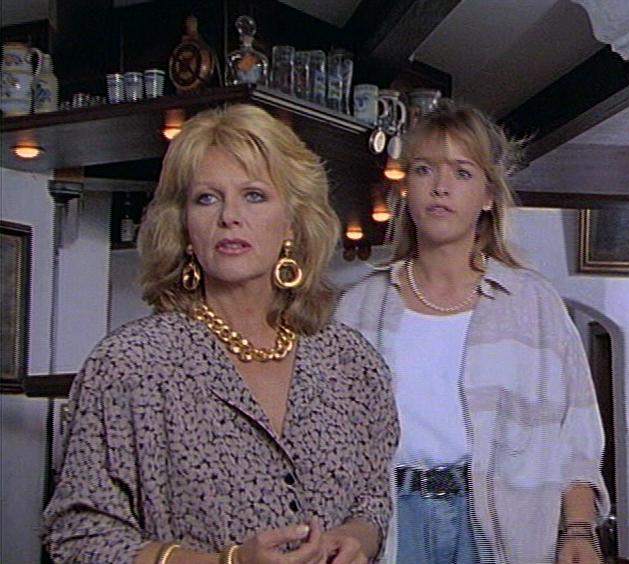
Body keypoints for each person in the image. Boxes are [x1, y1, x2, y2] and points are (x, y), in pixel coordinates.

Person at [44, 104, 399, 564]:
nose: (230, 216)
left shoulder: (351, 362)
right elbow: (78, 536)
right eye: (207, 199)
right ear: (184, 227)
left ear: (292, 222)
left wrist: (356, 538)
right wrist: (227, 562)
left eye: (254, 196)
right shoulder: (131, 364)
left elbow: (372, 499)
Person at [335, 100, 609, 564]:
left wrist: (579, 530)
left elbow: (576, 434)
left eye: (462, 172)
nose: (440, 187)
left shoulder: (532, 303)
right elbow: (332, 440)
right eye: (424, 169)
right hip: (390, 523)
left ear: (487, 195)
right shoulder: (358, 306)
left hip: (505, 526)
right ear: (407, 188)